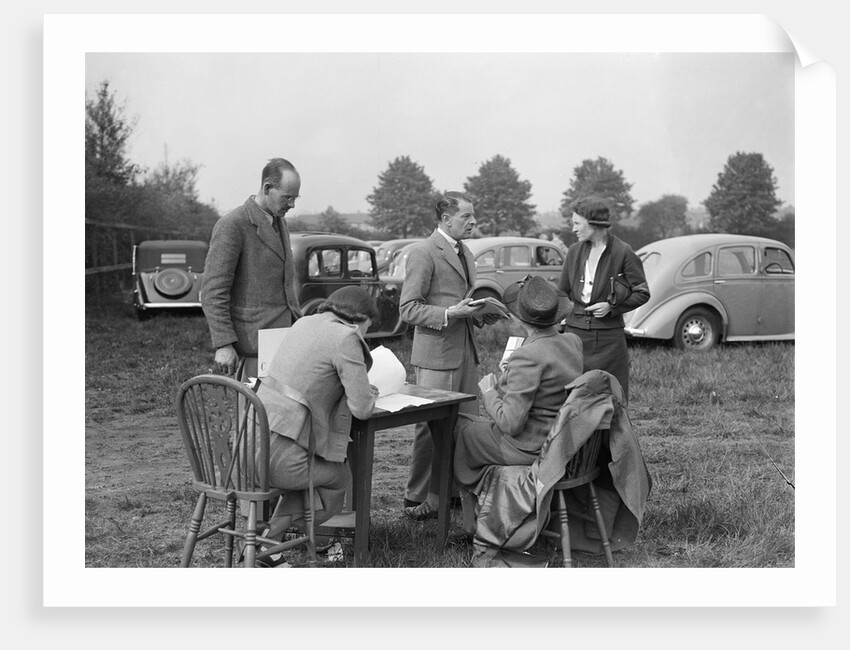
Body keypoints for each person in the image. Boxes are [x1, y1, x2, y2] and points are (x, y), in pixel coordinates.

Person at [453, 275, 584, 536]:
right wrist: (511, 375)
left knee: (460, 430)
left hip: (531, 447)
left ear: (518, 318)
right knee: (468, 428)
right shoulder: (572, 341)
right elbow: (549, 386)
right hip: (564, 439)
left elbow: (510, 423)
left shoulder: (527, 355)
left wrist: (489, 392)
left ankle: (470, 518)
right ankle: (485, 500)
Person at [399, 191, 500, 521]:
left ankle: (452, 493)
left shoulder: (465, 251)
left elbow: (460, 302)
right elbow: (408, 308)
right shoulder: (423, 252)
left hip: (465, 352)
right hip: (437, 356)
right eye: (466, 216)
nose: (473, 221)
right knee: (432, 430)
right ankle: (417, 496)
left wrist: (479, 314)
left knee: (465, 426)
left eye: (473, 215)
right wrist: (448, 314)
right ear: (445, 219)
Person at [255, 286, 379, 538]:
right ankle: (269, 539)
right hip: (279, 461)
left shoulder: (304, 322)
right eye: (368, 327)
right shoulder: (346, 337)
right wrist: (368, 392)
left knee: (314, 468)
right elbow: (362, 409)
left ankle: (268, 541)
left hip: (247, 448)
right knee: (338, 477)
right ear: (360, 319)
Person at [201, 158, 303, 381]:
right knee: (253, 404)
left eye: (295, 198)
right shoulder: (232, 225)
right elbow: (213, 291)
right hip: (252, 346)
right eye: (287, 197)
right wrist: (224, 343)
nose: (292, 205)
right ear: (267, 188)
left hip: (283, 341)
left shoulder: (280, 222)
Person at [558, 196, 649, 401]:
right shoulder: (574, 251)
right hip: (575, 337)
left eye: (577, 223)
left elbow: (642, 292)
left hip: (609, 340)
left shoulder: (623, 252)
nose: (573, 229)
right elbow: (562, 292)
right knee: (575, 398)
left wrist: (611, 307)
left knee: (611, 395)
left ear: (594, 223)